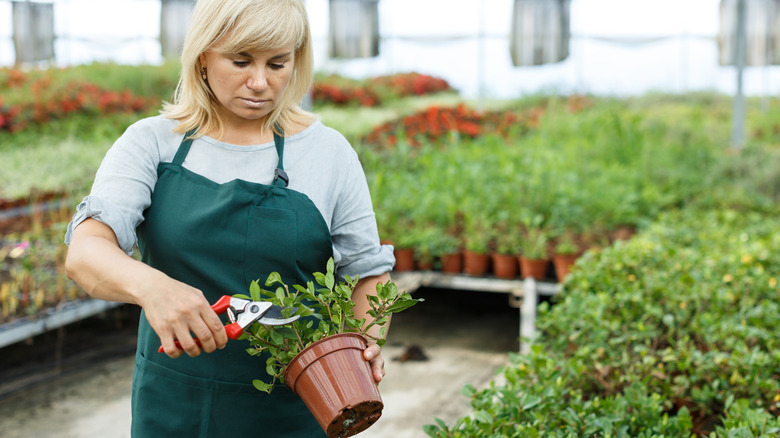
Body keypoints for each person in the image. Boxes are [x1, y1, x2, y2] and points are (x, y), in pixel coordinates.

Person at [63, 0, 395, 435]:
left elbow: (367, 272)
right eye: (240, 62)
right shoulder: (152, 143)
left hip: (294, 408)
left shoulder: (327, 153)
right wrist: (153, 287)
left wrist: (363, 344)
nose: (260, 83)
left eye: (278, 64)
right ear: (203, 57)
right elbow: (86, 253)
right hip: (175, 403)